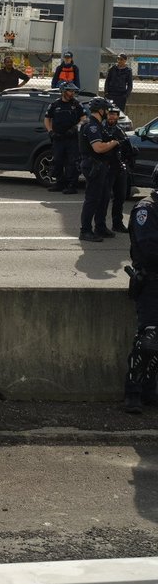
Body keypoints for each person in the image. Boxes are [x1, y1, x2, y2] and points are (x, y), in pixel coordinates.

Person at [124, 165, 158, 413]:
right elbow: (148, 249)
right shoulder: (146, 209)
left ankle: (149, 389)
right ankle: (133, 393)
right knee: (147, 341)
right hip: (152, 282)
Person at [78, 96, 122, 243]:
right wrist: (114, 142)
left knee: (103, 197)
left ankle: (100, 227)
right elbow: (98, 147)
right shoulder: (92, 126)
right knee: (92, 199)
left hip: (100, 165)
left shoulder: (98, 124)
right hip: (93, 165)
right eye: (106, 109)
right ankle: (85, 230)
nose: (107, 112)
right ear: (101, 110)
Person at [44, 82, 83, 194]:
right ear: (63, 92)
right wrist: (50, 131)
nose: (72, 93)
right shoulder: (55, 105)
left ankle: (71, 185)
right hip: (58, 138)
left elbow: (84, 119)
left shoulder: (77, 105)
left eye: (73, 91)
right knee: (57, 161)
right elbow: (47, 119)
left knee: (72, 162)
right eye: (70, 91)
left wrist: (75, 128)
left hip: (72, 138)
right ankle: (59, 183)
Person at [106, 105, 133, 234]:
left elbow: (127, 149)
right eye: (110, 114)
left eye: (115, 114)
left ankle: (117, 223)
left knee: (120, 197)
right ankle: (100, 225)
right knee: (103, 198)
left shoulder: (120, 130)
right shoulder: (102, 129)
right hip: (107, 168)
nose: (112, 116)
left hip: (120, 168)